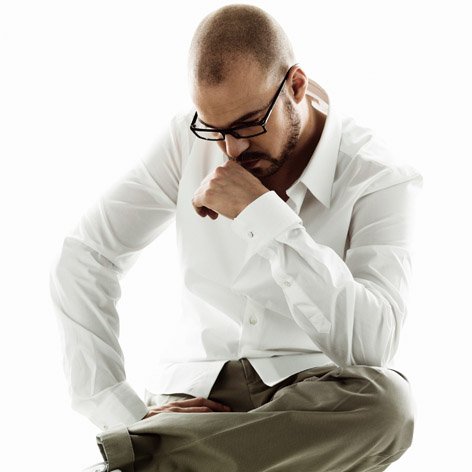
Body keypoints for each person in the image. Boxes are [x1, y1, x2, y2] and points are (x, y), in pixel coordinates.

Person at [50, 4, 423, 471]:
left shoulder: (378, 176)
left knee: (388, 407)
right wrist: (121, 411)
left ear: (296, 86)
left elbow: (372, 346)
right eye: (215, 129)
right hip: (194, 398)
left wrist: (263, 217)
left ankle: (148, 458)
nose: (231, 149)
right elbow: (86, 255)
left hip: (309, 402)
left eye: (248, 125)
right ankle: (159, 446)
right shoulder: (186, 142)